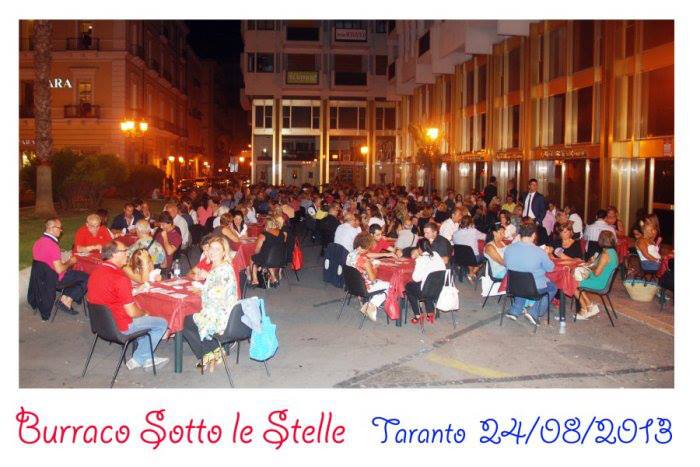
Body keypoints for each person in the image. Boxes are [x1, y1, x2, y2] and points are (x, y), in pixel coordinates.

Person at [86, 241, 169, 370]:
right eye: (124, 251)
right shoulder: (119, 278)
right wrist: (144, 313)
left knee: (145, 317)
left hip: (101, 324)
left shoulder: (96, 272)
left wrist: (134, 292)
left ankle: (145, 356)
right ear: (114, 254)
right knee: (161, 323)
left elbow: (109, 294)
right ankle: (140, 358)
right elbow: (132, 312)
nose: (127, 253)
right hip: (121, 325)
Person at [182, 236, 239, 372]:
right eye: (211, 248)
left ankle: (208, 353)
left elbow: (217, 295)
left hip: (222, 315)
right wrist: (204, 285)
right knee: (189, 319)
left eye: (217, 249)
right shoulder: (217, 266)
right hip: (218, 310)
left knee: (184, 322)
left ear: (224, 252)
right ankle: (215, 352)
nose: (212, 252)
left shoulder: (224, 269)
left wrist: (203, 288)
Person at [32, 217, 88, 317]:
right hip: (55, 280)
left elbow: (45, 261)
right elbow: (59, 269)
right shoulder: (53, 246)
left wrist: (60, 259)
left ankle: (66, 296)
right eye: (59, 228)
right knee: (87, 277)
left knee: (75, 274)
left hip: (41, 279)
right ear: (51, 228)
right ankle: (67, 301)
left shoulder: (38, 242)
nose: (61, 230)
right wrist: (70, 261)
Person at [503, 223, 557, 325]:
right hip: (533, 288)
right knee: (552, 287)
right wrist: (547, 254)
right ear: (533, 235)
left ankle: (515, 310)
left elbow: (506, 264)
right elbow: (551, 268)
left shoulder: (509, 248)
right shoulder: (539, 252)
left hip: (513, 286)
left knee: (522, 281)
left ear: (520, 235)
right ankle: (534, 313)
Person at [345, 232, 390, 322]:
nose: (368, 250)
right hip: (364, 287)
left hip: (351, 285)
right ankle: (372, 305)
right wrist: (374, 267)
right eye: (368, 248)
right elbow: (373, 280)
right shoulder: (365, 261)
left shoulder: (350, 254)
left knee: (382, 284)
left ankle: (370, 304)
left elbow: (359, 265)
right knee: (391, 285)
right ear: (362, 247)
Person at [574, 230, 619, 320]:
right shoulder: (613, 252)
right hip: (604, 281)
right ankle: (589, 305)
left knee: (572, 283)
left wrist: (589, 267)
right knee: (576, 279)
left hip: (599, 283)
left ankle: (584, 309)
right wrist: (593, 262)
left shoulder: (605, 254)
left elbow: (597, 273)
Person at [405, 238, 446, 324]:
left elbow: (415, 278)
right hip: (439, 289)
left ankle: (418, 314)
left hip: (426, 292)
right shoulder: (436, 254)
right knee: (427, 284)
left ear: (419, 249)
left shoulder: (420, 260)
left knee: (408, 286)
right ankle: (430, 313)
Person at [251, 218, 285, 288]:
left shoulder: (263, 235)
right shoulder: (282, 233)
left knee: (252, 258)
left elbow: (257, 250)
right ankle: (274, 279)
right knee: (268, 259)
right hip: (281, 259)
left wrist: (258, 254)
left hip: (268, 260)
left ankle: (255, 280)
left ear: (266, 225)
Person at [452, 216, 486, 280]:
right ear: (471, 224)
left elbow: (454, 243)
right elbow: (485, 237)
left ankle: (471, 272)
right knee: (485, 257)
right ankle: (472, 273)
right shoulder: (474, 231)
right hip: (473, 258)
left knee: (469, 253)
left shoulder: (455, 233)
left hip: (459, 258)